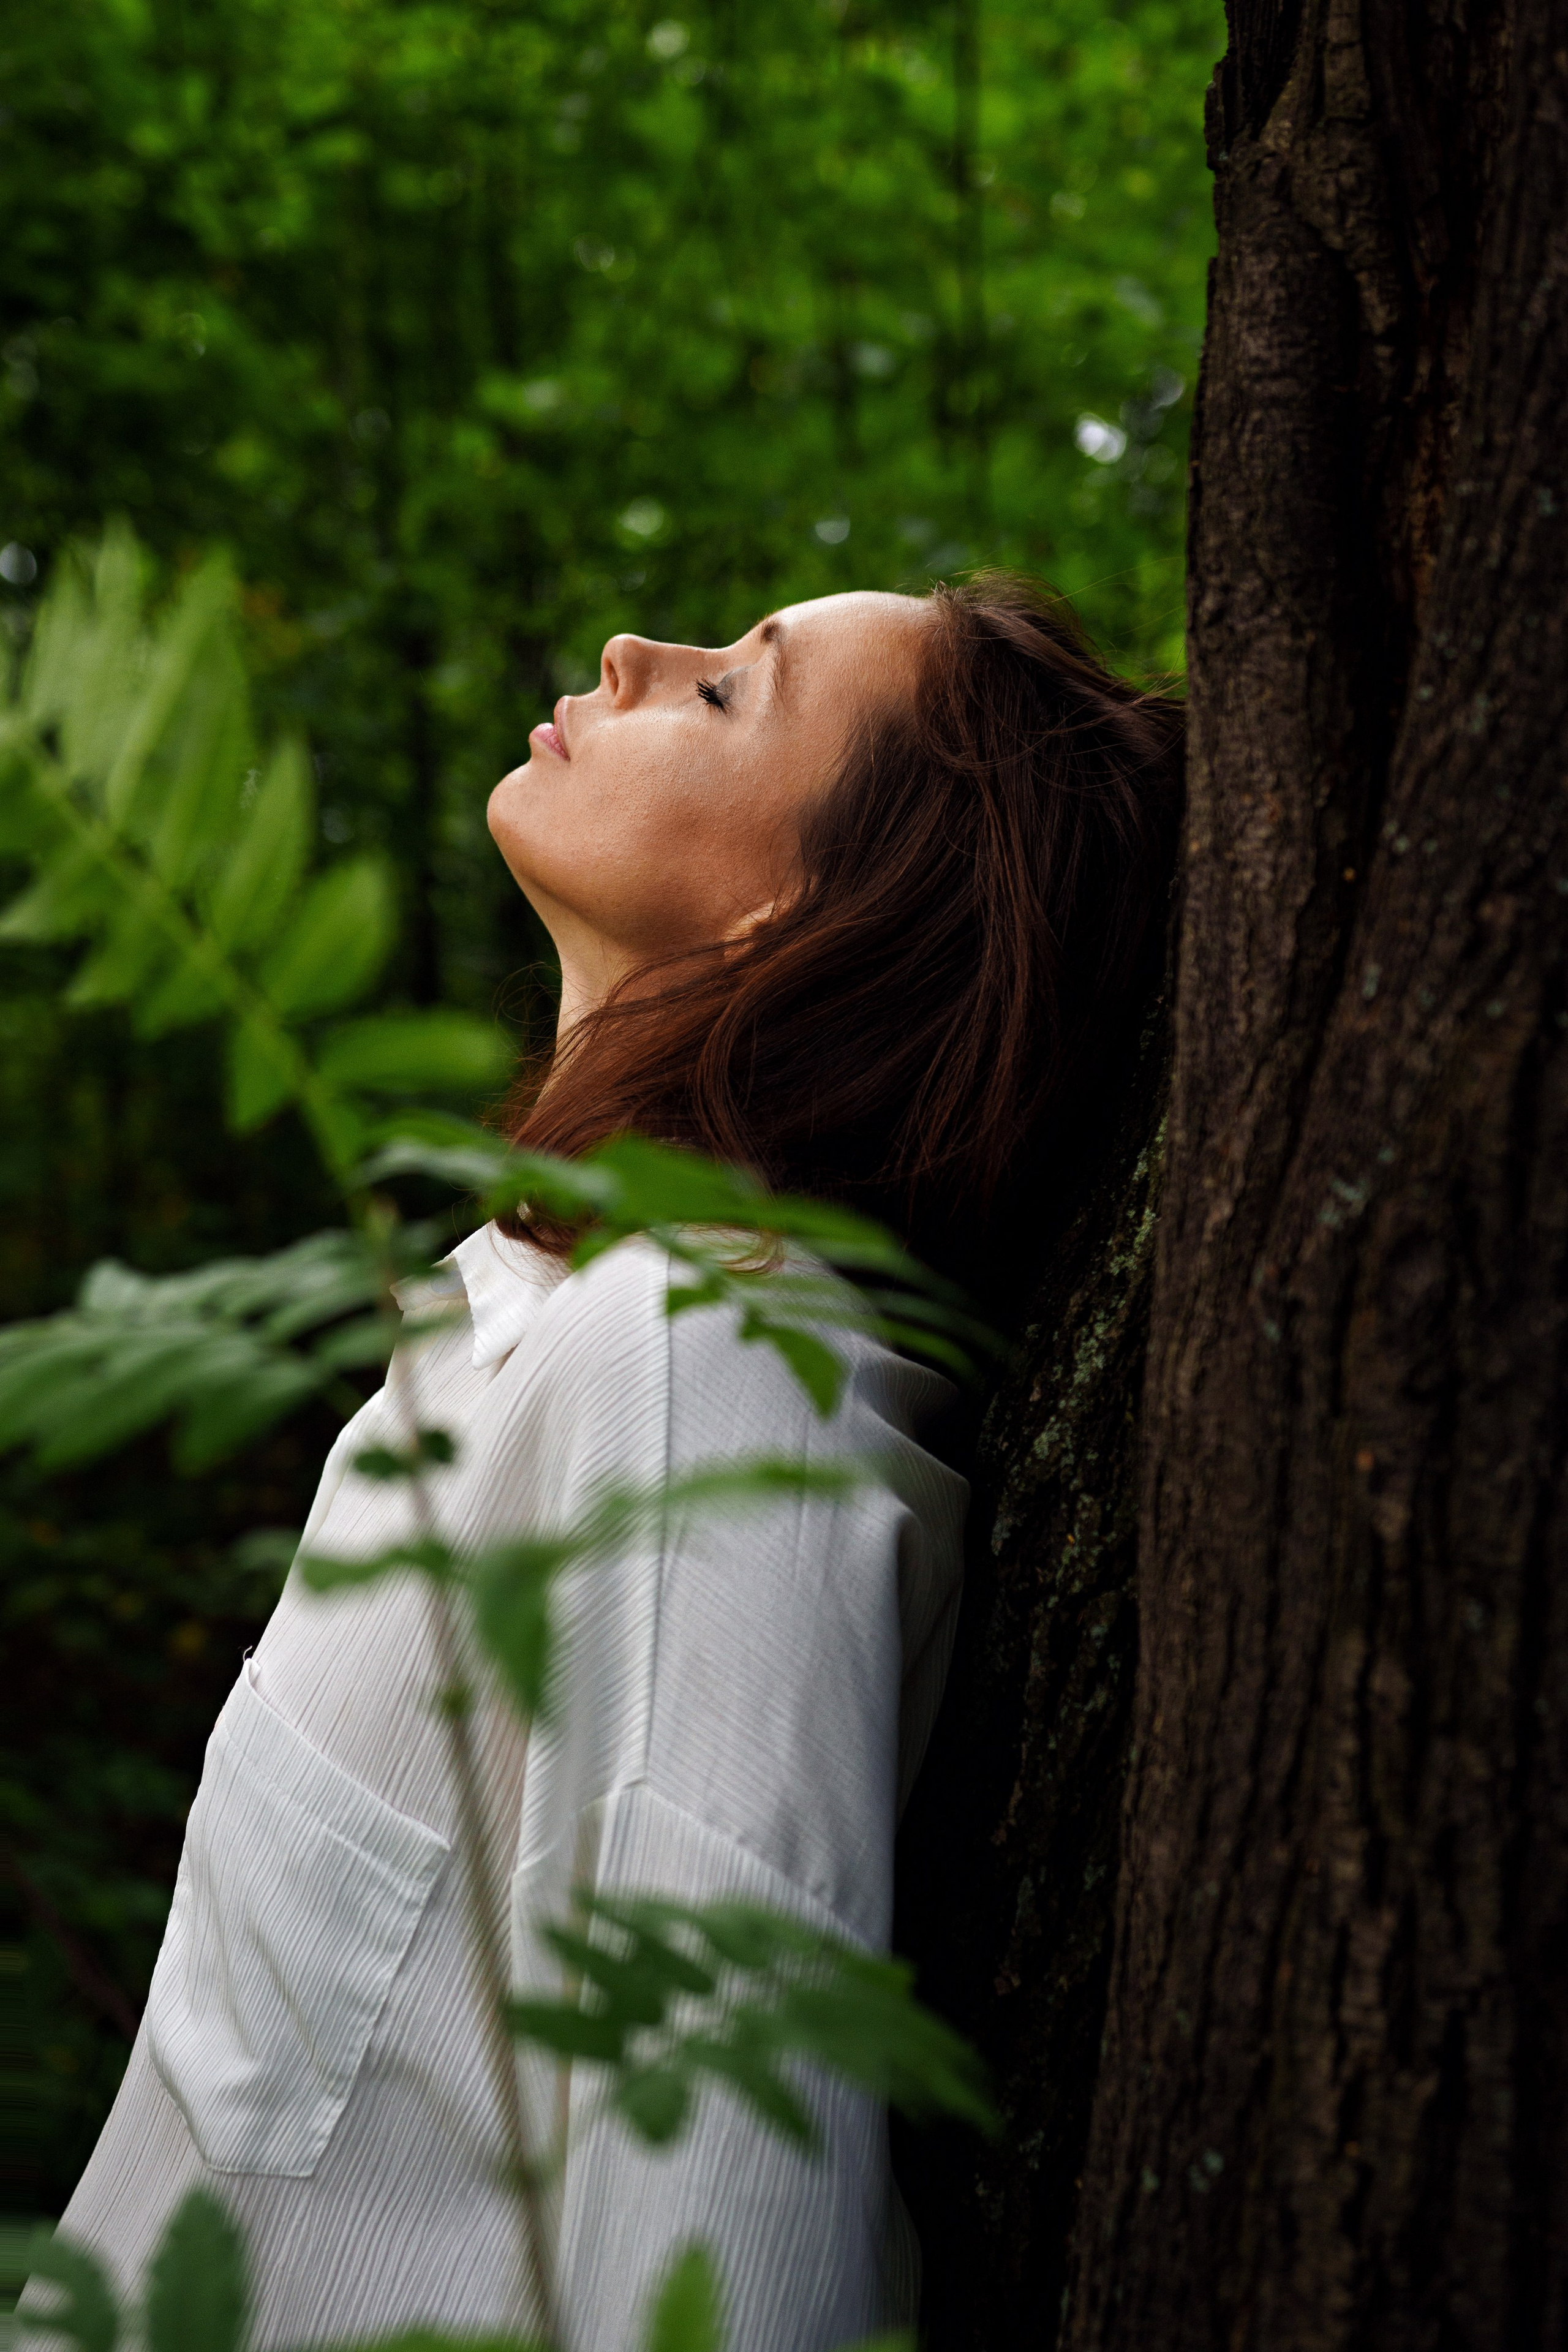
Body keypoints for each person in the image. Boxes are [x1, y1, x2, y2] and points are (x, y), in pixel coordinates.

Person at [46, 577, 1182, 2350]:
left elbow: (730, 2232)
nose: (631, 656)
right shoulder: (555, 1331)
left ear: (808, 918)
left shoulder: (706, 1381)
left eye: (731, 695)